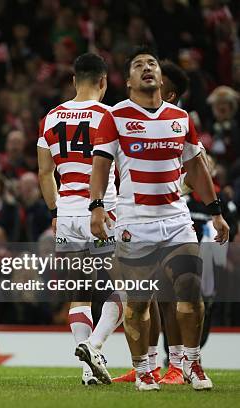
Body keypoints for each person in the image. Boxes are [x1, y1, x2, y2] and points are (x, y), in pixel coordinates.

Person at [90, 46, 229, 391]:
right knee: (138, 302)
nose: (147, 68)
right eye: (139, 65)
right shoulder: (115, 116)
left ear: (160, 76)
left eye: (152, 63)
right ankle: (143, 370)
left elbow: (196, 168)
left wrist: (216, 212)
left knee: (190, 291)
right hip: (134, 221)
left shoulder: (180, 118)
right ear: (130, 81)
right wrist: (95, 206)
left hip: (176, 218)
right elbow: (102, 165)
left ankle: (192, 363)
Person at [37, 52, 122, 386]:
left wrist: (56, 212)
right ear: (103, 81)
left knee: (80, 293)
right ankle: (94, 345)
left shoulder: (51, 117)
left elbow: (45, 173)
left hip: (68, 213)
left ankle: (87, 370)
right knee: (127, 289)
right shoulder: (110, 115)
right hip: (104, 211)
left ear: (74, 80)